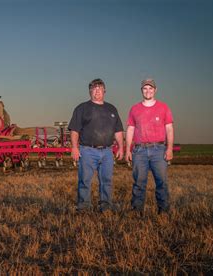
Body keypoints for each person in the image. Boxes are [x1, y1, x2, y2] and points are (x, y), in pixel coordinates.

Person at [68, 78, 124, 213]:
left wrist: (121, 147)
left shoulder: (111, 109)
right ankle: (83, 208)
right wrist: (74, 147)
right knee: (85, 181)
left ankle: (105, 207)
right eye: (94, 89)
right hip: (87, 150)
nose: (97, 91)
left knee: (106, 181)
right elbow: (75, 130)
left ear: (104, 91)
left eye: (99, 88)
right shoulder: (82, 108)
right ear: (90, 91)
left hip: (107, 152)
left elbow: (118, 130)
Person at [125, 79, 174, 215]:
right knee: (139, 183)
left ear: (155, 90)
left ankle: (163, 212)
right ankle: (136, 211)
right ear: (141, 91)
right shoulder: (134, 109)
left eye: (150, 88)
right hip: (139, 150)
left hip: (158, 149)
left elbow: (169, 129)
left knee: (161, 183)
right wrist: (128, 149)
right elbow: (130, 129)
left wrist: (169, 149)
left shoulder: (164, 107)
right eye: (145, 88)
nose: (148, 91)